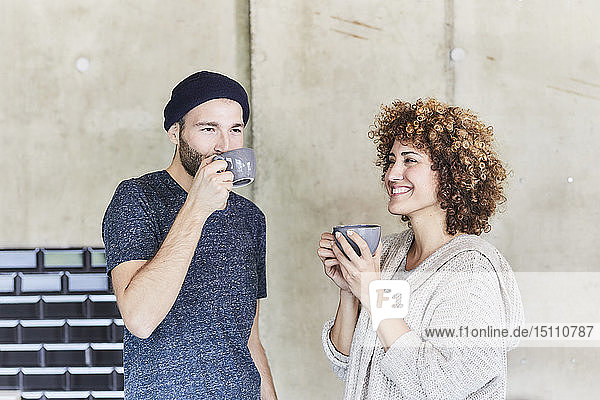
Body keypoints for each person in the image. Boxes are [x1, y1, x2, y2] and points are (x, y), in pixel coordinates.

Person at [317, 98, 524, 399]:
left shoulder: (471, 269)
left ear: (452, 173)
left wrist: (373, 293)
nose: (391, 175)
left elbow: (444, 384)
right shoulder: (387, 253)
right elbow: (348, 365)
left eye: (409, 160)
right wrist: (350, 288)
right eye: (390, 161)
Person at [102, 71, 277, 399]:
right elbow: (139, 318)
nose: (224, 145)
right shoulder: (137, 198)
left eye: (235, 129)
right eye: (208, 128)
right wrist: (197, 208)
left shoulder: (250, 218)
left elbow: (249, 338)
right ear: (175, 132)